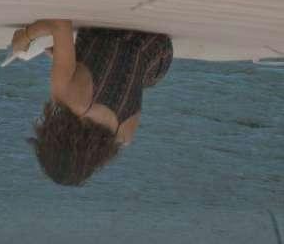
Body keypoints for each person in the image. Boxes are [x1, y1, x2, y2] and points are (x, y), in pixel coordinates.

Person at [14, 18, 174, 186]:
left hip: (159, 50)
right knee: (80, 72)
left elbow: (124, 82)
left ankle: (78, 60)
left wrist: (64, 60)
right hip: (114, 30)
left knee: (135, 79)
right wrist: (25, 36)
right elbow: (60, 24)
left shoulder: (124, 136)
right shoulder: (66, 99)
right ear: (51, 143)